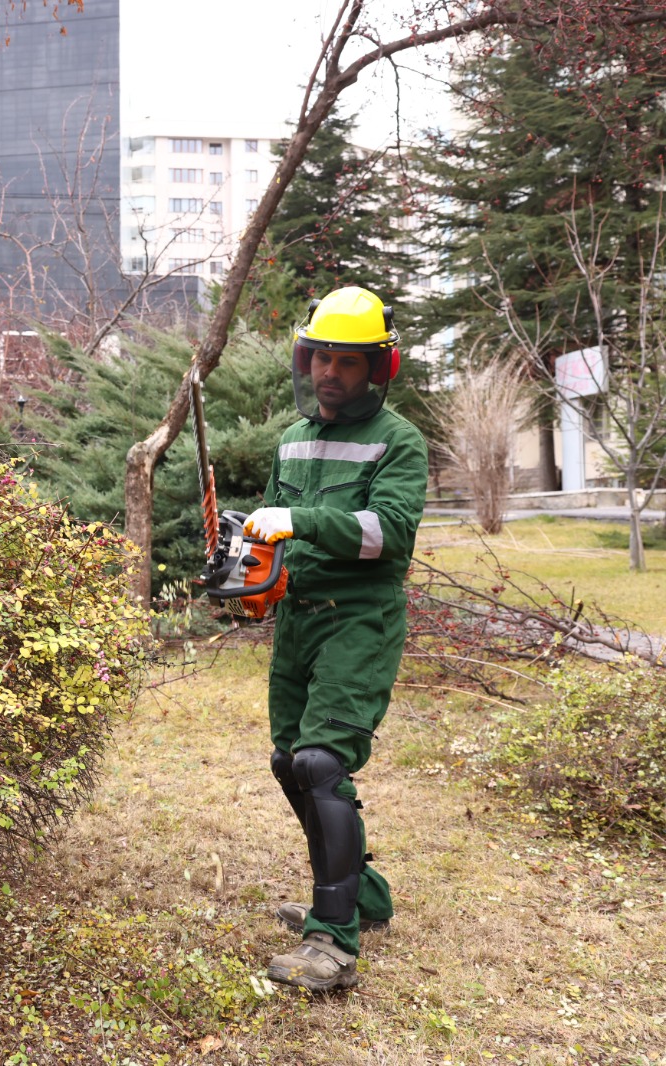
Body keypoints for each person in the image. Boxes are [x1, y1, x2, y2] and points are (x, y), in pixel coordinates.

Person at [242, 285, 428, 992]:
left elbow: (390, 534)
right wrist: (249, 577)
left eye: (348, 362)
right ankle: (365, 895)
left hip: (361, 617)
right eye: (321, 356)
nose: (330, 372)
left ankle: (334, 943)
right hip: (298, 622)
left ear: (379, 368)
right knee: (291, 761)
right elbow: (272, 534)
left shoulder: (400, 441)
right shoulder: (291, 440)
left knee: (323, 760)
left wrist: (303, 522)